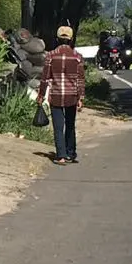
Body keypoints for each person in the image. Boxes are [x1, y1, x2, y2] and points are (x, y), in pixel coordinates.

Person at [38, 25, 86, 165]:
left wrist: (41, 95)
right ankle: (71, 153)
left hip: (56, 96)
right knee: (70, 125)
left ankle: (61, 156)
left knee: (58, 127)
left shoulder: (51, 56)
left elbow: (45, 78)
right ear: (71, 39)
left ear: (57, 39)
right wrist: (81, 98)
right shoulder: (77, 57)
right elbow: (80, 80)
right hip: (72, 96)